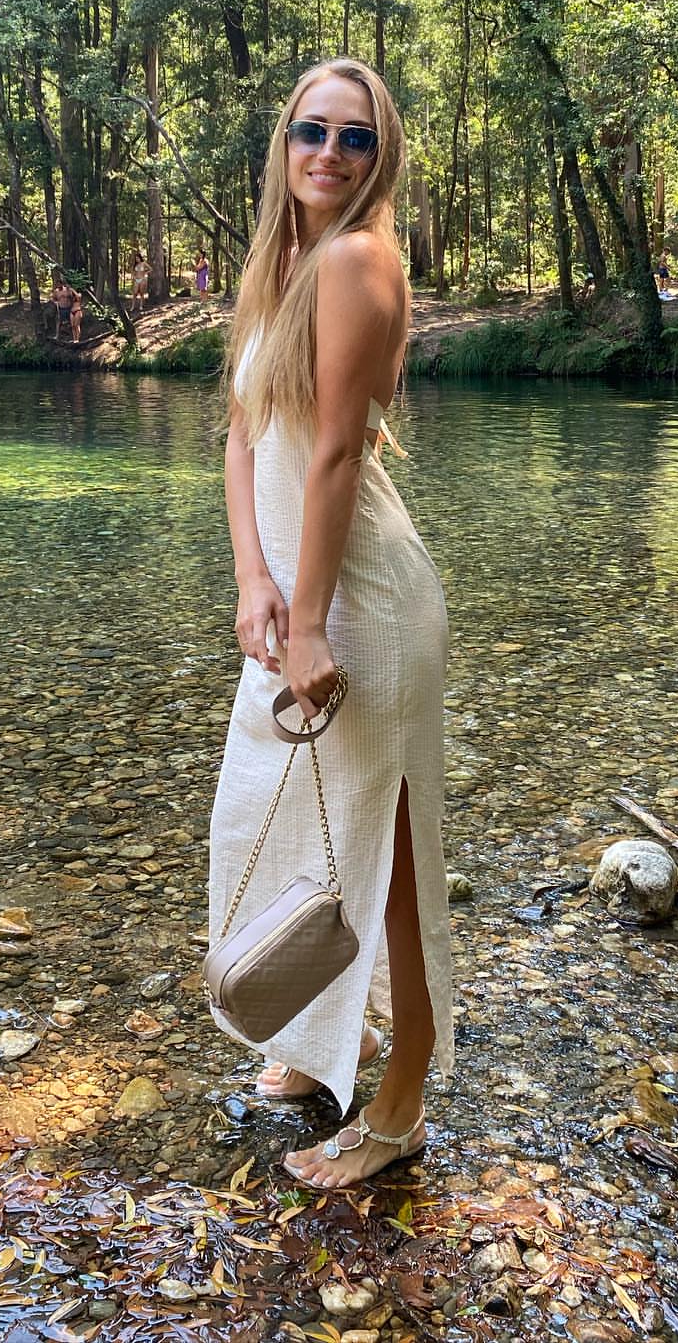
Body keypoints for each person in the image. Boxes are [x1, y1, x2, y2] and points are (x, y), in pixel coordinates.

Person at [210, 57, 453, 1189]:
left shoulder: (359, 259)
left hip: (365, 599)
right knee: (292, 822)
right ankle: (323, 1043)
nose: (330, 153)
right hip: (299, 590)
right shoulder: (283, 261)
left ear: (379, 156)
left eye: (356, 138)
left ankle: (401, 1103)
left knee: (390, 853)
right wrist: (252, 580)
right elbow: (243, 433)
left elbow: (340, 453)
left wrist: (307, 623)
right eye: (313, 130)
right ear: (285, 141)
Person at [51, 274, 75, 341]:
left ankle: (73, 337)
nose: (59, 285)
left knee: (71, 322)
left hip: (69, 308)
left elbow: (72, 297)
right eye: (58, 284)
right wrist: (55, 302)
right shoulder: (56, 291)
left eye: (60, 284)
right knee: (59, 322)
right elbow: (53, 298)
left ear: (62, 284)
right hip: (61, 309)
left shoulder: (67, 289)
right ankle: (57, 336)